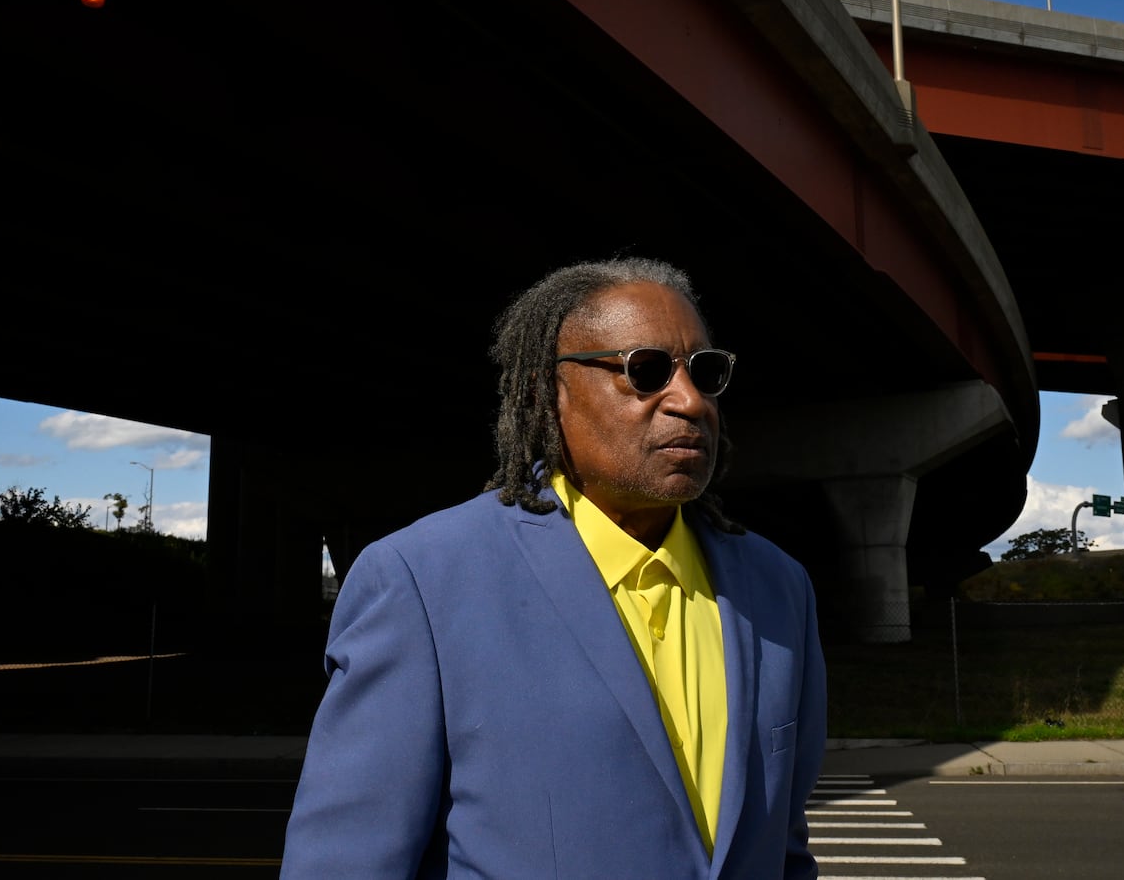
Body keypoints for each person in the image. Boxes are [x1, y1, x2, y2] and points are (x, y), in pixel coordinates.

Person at [279, 256, 827, 879]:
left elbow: (784, 852)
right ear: (549, 392)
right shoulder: (422, 582)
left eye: (705, 372)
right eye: (645, 372)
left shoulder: (779, 588)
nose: (690, 400)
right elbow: (345, 864)